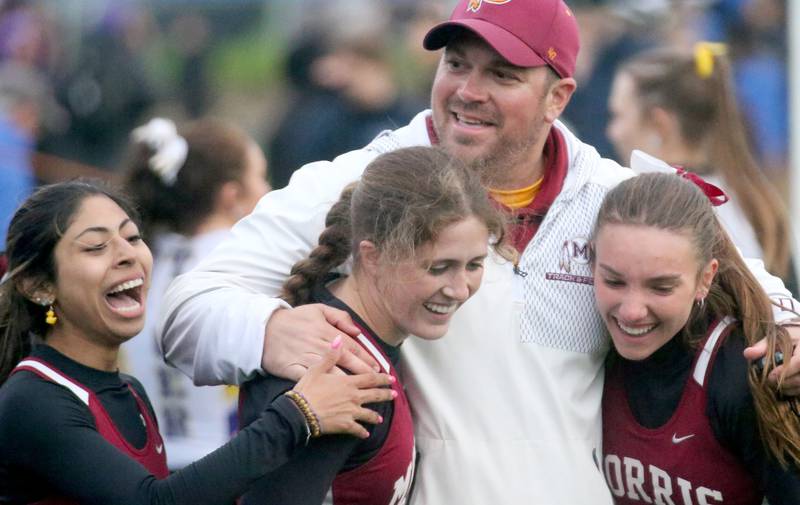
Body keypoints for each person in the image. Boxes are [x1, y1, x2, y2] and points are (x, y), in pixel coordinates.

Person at [158, 1, 800, 503]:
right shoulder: (365, 181)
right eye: (456, 64)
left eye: (502, 75)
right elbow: (185, 310)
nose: (468, 90)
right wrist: (271, 330)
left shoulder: (614, 195)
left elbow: (758, 292)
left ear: (559, 97)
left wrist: (791, 336)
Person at [0, 179, 395, 504]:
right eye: (96, 247)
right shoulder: (33, 400)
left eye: (133, 238)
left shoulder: (129, 391)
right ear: (38, 286)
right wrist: (299, 415)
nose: (127, 256)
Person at [239, 146, 511, 503]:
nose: (460, 289)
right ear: (373, 255)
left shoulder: (363, 345)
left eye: (474, 265)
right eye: (438, 267)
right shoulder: (337, 373)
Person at [594, 171, 800, 503]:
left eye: (661, 287)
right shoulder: (586, 347)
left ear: (705, 278)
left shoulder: (742, 376)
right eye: (614, 282)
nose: (632, 311)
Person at [122, 116, 270, 469]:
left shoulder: (138, 262)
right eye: (261, 177)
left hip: (144, 468)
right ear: (231, 196)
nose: (268, 191)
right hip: (230, 471)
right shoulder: (250, 264)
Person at [605, 43, 795, 288]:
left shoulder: (670, 211)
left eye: (618, 116)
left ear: (659, 124)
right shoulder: (747, 200)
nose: (611, 132)